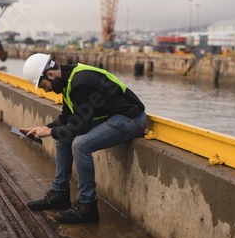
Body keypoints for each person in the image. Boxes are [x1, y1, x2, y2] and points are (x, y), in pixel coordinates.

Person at [20, 53, 147, 224]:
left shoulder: (82, 82)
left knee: (80, 145)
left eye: (43, 86)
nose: (46, 90)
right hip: (110, 117)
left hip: (130, 119)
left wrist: (50, 132)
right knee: (63, 137)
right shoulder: (68, 81)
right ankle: (59, 194)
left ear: (50, 74)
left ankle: (87, 206)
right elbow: (67, 118)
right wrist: (43, 128)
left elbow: (80, 126)